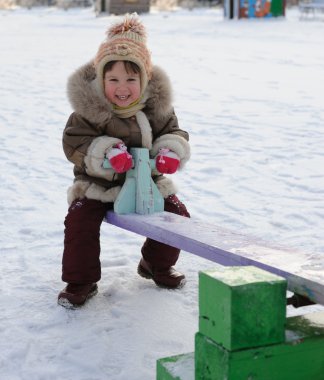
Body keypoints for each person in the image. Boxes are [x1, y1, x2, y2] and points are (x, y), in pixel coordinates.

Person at [58, 14, 191, 308]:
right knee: (80, 219)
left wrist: (169, 151)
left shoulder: (157, 109)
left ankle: (155, 263)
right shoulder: (88, 111)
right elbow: (75, 142)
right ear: (101, 79)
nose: (122, 87)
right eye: (113, 79)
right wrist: (106, 152)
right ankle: (81, 279)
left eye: (131, 79)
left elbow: (174, 132)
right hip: (97, 184)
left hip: (146, 182)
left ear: (144, 80)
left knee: (177, 214)